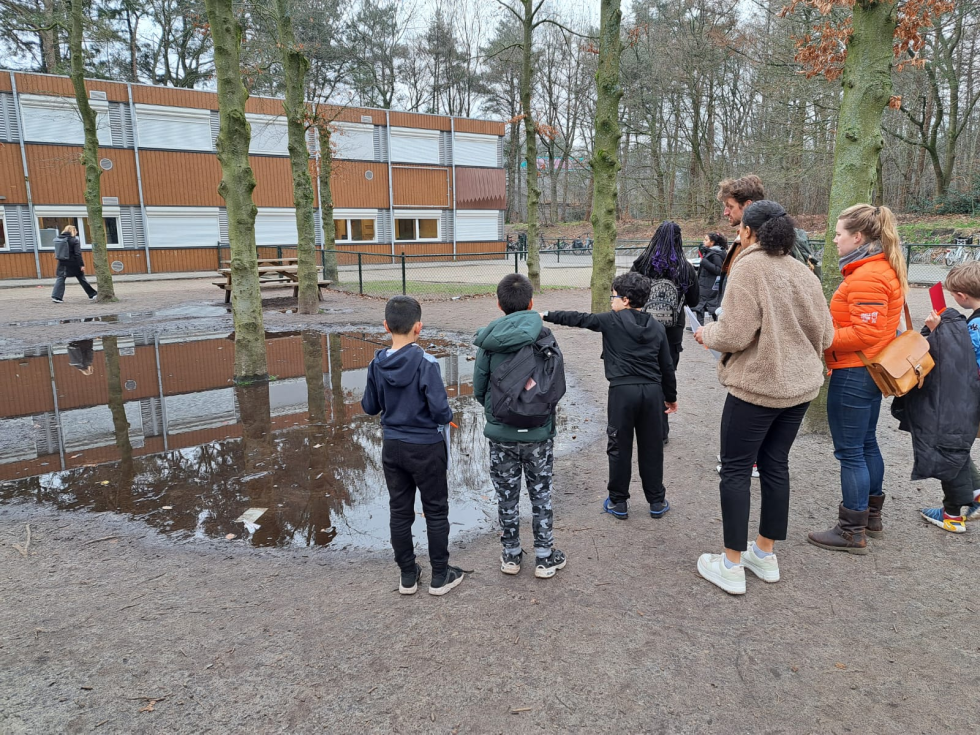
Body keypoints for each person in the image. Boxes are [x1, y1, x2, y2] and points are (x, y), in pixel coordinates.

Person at [694, 201, 834, 595]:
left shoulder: (748, 268)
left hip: (758, 387)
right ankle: (764, 553)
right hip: (800, 387)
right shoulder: (802, 270)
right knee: (775, 465)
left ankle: (732, 563)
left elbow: (734, 334)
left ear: (748, 232)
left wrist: (708, 336)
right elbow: (827, 336)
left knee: (736, 471)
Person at [807, 205, 907, 554]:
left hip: (854, 371)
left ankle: (851, 531)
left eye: (838, 233)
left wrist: (824, 337)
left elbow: (866, 332)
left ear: (858, 237)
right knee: (866, 444)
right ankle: (870, 517)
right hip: (866, 370)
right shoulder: (875, 269)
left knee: (851, 451)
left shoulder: (868, 276)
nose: (834, 239)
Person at [542, 271, 678, 520]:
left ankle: (618, 501)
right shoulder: (657, 327)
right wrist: (670, 396)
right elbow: (666, 365)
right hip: (652, 393)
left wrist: (546, 315)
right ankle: (656, 501)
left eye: (613, 296)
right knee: (652, 448)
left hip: (622, 393)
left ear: (625, 299)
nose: (611, 301)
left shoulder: (610, 321)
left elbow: (580, 319)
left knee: (618, 447)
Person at [361, 295, 464, 596]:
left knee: (399, 511)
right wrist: (448, 414)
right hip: (426, 448)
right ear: (419, 327)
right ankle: (440, 575)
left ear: (385, 326)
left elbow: (369, 406)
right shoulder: (427, 363)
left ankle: (408, 575)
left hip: (392, 446)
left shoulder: (376, 364)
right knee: (435, 510)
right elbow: (441, 412)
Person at [473, 274, 567, 579]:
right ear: (531, 303)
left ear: (499, 304)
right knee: (541, 494)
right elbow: (556, 385)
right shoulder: (546, 336)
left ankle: (511, 556)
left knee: (507, 496)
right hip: (539, 433)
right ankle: (544, 556)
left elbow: (478, 389)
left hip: (501, 434)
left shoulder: (488, 342)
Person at [908, 262, 980, 531]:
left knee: (948, 446)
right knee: (956, 446)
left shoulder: (975, 325)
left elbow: (961, 356)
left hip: (967, 393)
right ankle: (974, 494)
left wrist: (938, 330)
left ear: (961, 295)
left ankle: (952, 515)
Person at [629, 221, 698, 444]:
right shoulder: (685, 268)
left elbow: (627, 292)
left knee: (642, 375)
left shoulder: (641, 265)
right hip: (671, 333)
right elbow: (695, 300)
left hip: (643, 329)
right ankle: (660, 431)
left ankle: (637, 425)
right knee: (665, 377)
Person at [715, 175, 765, 305]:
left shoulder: (767, 244)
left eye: (730, 206)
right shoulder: (741, 240)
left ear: (748, 205)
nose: (725, 213)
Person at [51, 225, 97, 303]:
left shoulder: (59, 239)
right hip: (73, 263)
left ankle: (56, 297)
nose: (77, 232)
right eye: (76, 230)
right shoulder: (74, 240)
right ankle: (92, 294)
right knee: (81, 278)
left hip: (62, 262)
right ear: (73, 231)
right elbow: (78, 254)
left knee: (61, 278)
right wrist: (81, 265)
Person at [694, 233, 727, 323]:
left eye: (706, 240)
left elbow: (718, 270)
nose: (703, 241)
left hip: (709, 286)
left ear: (712, 242)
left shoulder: (715, 254)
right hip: (705, 284)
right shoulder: (710, 252)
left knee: (709, 307)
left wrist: (704, 262)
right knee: (700, 306)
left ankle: (716, 325)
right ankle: (699, 326)